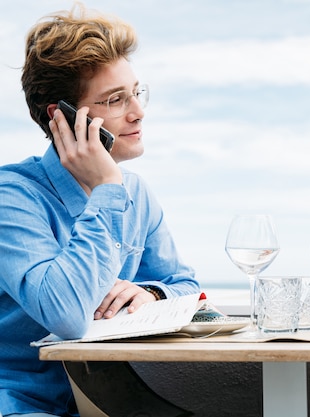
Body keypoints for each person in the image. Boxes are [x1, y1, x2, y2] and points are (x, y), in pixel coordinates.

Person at [0, 4, 200, 416]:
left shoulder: (138, 194)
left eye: (137, 92)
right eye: (115, 99)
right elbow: (67, 316)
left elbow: (186, 286)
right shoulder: (12, 197)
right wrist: (106, 189)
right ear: (64, 118)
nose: (138, 112)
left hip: (103, 398)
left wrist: (150, 293)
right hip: (21, 401)